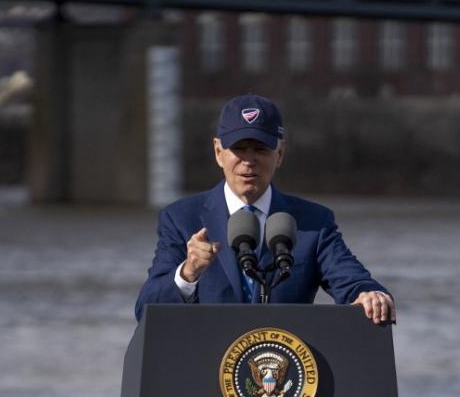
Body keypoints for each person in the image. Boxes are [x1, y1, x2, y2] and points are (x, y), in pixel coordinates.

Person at [134, 94, 395, 324]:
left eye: (260, 149)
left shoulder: (314, 222)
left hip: (289, 372)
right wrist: (188, 272)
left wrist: (370, 295)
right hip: (207, 372)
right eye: (238, 149)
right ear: (218, 152)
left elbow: (353, 281)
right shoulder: (181, 219)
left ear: (279, 154)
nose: (249, 161)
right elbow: (145, 309)